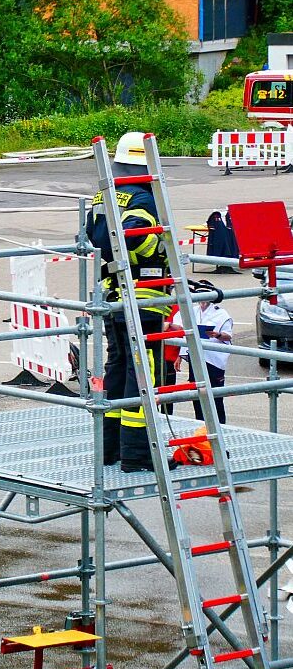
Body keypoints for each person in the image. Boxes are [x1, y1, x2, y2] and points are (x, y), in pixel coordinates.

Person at [86, 132, 172, 473]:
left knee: (118, 366)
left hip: (112, 294)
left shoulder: (104, 195)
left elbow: (92, 239)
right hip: (144, 296)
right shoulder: (144, 199)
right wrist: (159, 250)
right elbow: (131, 239)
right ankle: (137, 454)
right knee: (143, 373)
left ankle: (110, 448)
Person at [177, 279, 233, 424]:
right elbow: (183, 332)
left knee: (215, 396)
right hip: (195, 358)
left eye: (204, 299)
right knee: (197, 395)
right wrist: (180, 355)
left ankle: (220, 426)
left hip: (213, 360)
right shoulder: (192, 311)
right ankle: (200, 425)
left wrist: (218, 335)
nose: (202, 302)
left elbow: (228, 335)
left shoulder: (221, 314)